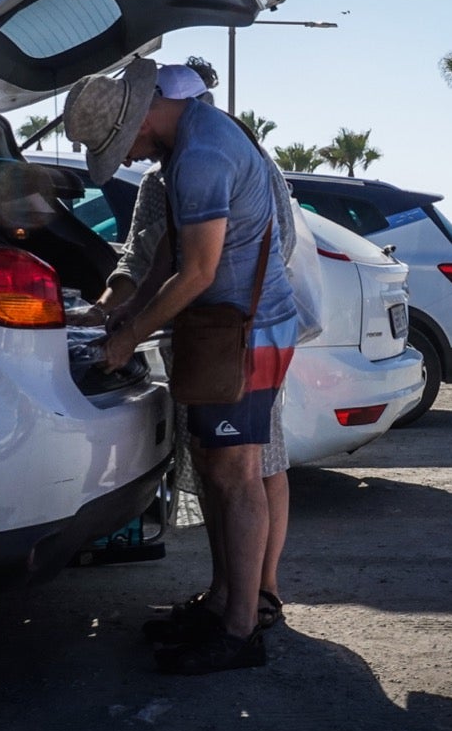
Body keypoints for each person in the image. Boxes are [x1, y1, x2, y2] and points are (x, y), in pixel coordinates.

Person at [66, 57, 297, 675]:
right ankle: (223, 605)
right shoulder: (190, 143)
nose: (134, 157)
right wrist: (120, 312)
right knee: (219, 476)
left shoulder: (201, 156)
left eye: (126, 144)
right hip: (224, 330)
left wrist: (129, 337)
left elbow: (196, 271)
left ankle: (243, 630)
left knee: (238, 476)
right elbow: (169, 252)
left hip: (247, 333)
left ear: (143, 117)